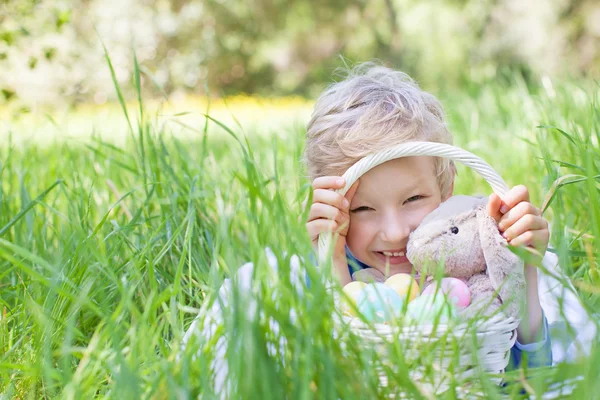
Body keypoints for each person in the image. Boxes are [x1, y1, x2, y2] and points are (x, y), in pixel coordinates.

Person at [303, 63, 551, 364]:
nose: (395, 233)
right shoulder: (324, 273)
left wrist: (522, 269)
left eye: (414, 198)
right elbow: (336, 375)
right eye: (363, 208)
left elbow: (529, 380)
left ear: (446, 189)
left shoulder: (474, 261)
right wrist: (335, 264)